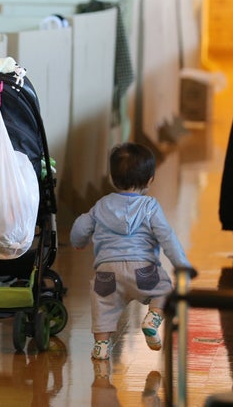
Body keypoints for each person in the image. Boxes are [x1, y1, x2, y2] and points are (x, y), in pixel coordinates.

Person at [70, 142, 194, 360]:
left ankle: (101, 345)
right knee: (164, 288)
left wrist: (78, 241)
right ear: (150, 180)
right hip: (143, 270)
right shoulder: (150, 207)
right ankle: (153, 318)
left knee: (102, 304)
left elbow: (81, 225)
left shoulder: (101, 205)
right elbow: (167, 236)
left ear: (112, 178)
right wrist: (182, 265)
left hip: (107, 271)